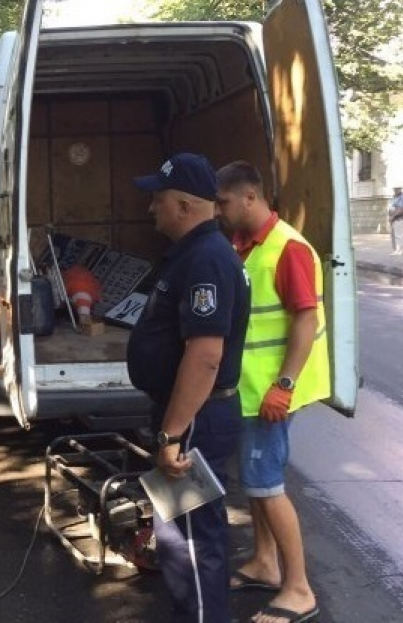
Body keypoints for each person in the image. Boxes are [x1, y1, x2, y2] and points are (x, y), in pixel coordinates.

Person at [127, 153, 250, 623]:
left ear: (183, 205)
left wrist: (174, 434)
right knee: (178, 535)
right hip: (186, 418)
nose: (151, 209)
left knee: (193, 542)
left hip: (194, 421)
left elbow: (205, 356)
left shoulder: (206, 260)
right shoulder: (196, 254)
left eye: (158, 199)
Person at [215, 161, 326, 623]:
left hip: (270, 394)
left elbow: (306, 319)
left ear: (249, 198)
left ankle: (299, 588)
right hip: (252, 390)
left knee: (267, 485)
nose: (218, 212)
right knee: (255, 485)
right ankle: (264, 561)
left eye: (222, 203)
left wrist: (284, 385)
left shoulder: (287, 248)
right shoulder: (246, 246)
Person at [388, 186, 403, 255]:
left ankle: (399, 250)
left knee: (398, 235)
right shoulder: (394, 197)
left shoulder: (401, 197)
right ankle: (396, 250)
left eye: (397, 189)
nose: (395, 190)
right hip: (393, 218)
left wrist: (393, 216)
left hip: (398, 218)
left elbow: (400, 209)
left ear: (400, 189)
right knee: (393, 235)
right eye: (394, 189)